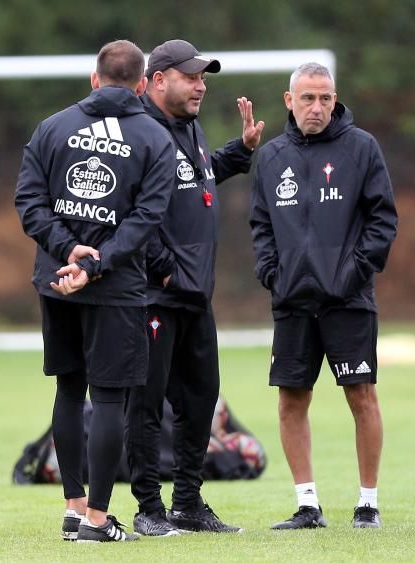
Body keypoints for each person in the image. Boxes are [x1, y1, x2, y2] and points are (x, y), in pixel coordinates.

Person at [14, 39, 175, 543]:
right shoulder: (155, 137)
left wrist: (68, 251)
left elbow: (29, 200)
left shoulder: (52, 127)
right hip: (116, 286)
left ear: (94, 78)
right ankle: (99, 522)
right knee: (108, 399)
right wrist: (98, 262)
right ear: (144, 83)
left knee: (67, 389)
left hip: (58, 282)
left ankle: (73, 506)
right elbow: (147, 218)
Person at [123, 38, 264, 537]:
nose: (201, 85)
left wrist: (240, 152)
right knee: (147, 404)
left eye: (203, 77)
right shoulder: (136, 134)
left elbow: (198, 178)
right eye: (191, 76)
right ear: (158, 79)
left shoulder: (189, 127)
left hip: (194, 296)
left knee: (200, 401)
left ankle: (187, 503)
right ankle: (148, 508)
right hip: (155, 296)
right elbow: (127, 212)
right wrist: (163, 268)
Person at [249, 62, 397, 530]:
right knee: (292, 399)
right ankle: (307, 505)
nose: (317, 107)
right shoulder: (270, 157)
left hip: (348, 300)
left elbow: (382, 221)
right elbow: (260, 226)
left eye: (325, 98)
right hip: (292, 300)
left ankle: (367, 503)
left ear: (335, 100)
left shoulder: (361, 148)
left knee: (362, 395)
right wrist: (273, 274)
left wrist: (353, 273)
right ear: (289, 101)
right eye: (308, 98)